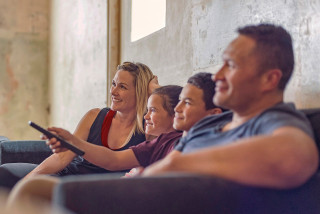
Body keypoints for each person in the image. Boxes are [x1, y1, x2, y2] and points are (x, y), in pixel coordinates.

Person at [141, 23, 319, 189]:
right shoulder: (205, 124)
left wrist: (177, 166)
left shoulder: (274, 120)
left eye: (231, 65)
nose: (217, 75)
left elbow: (294, 157)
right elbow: (160, 174)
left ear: (269, 79)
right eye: (222, 64)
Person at [6, 72, 224, 206]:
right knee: (30, 186)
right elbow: (113, 159)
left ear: (213, 115)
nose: (178, 108)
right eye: (179, 102)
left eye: (186, 103)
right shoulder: (158, 143)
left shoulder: (206, 143)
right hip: (126, 190)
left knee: (34, 190)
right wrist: (73, 141)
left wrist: (144, 174)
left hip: (140, 198)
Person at [0, 61, 156, 189]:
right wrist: (28, 179)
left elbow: (172, 124)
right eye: (114, 84)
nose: (113, 91)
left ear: (140, 92)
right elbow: (62, 157)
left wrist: (154, 91)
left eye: (122, 87)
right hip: (67, 177)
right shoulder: (94, 116)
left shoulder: (149, 127)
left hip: (93, 190)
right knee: (6, 174)